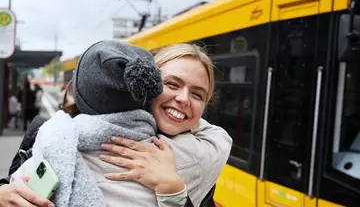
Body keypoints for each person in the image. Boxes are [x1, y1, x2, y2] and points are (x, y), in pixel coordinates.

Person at [1, 42, 231, 207]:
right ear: (143, 82)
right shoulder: (47, 129)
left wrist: (173, 192)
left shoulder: (197, 161)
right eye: (172, 84)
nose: (183, 98)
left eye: (198, 95)